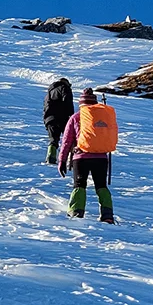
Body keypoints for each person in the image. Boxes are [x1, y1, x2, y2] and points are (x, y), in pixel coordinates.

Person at [57, 88, 117, 223]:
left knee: (79, 185)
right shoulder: (104, 118)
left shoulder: (75, 117)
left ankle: (76, 212)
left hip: (81, 158)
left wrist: (62, 160)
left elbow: (66, 141)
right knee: (101, 186)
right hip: (101, 157)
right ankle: (107, 215)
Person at [42, 77, 74, 164]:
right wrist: (71, 116)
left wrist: (46, 121)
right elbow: (68, 102)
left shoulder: (49, 93)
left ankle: (50, 157)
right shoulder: (64, 88)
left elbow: (45, 108)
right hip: (63, 118)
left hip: (50, 119)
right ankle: (69, 160)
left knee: (53, 140)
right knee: (69, 139)